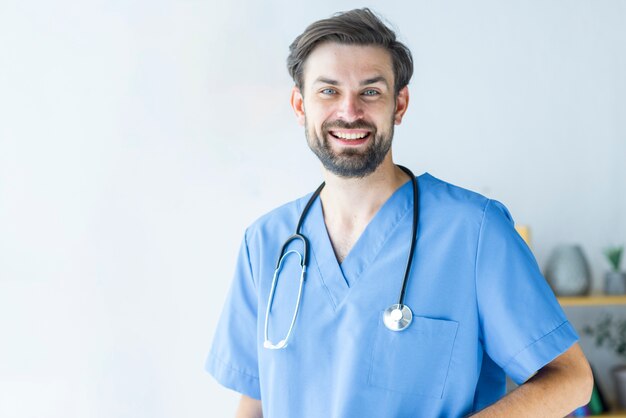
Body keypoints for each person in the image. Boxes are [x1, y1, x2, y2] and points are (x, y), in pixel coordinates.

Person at [206, 8, 593, 418]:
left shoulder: (473, 232)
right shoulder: (266, 243)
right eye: (328, 91)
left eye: (370, 91)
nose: (350, 111)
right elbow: (256, 398)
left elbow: (571, 378)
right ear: (300, 106)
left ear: (400, 104)